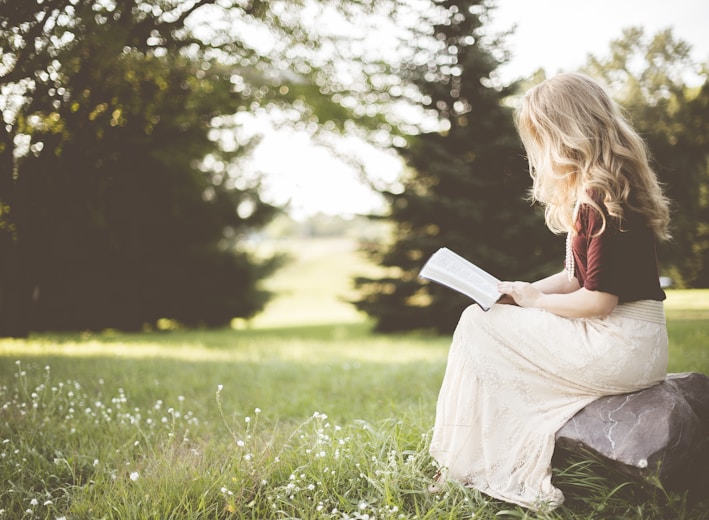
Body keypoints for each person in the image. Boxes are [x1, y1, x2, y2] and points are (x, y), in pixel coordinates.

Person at [428, 72, 672, 511]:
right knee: (486, 318)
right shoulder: (607, 187)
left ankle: (463, 463)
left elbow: (598, 301)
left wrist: (536, 304)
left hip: (618, 343)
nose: (537, 150)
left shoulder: (600, 196)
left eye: (541, 135)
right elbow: (574, 278)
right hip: (635, 343)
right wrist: (518, 290)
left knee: (474, 324)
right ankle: (466, 459)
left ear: (566, 132)